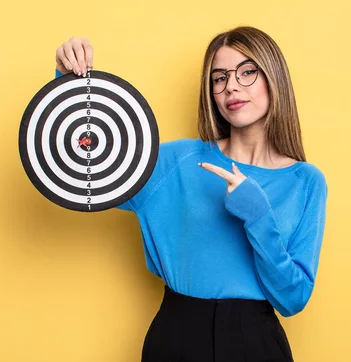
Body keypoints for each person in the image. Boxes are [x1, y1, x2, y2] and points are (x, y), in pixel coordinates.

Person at [55, 26, 328, 362]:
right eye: (219, 78)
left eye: (247, 72)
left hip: (257, 343)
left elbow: (293, 298)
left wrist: (258, 216)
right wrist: (71, 85)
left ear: (274, 78)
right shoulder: (176, 161)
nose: (231, 86)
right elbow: (84, 169)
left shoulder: (305, 181)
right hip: (176, 336)